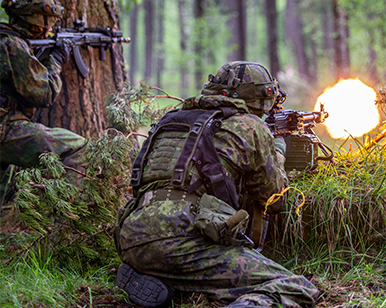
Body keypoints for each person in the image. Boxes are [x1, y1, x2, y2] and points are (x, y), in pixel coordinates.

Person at [114, 61, 319, 307]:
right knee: (297, 287)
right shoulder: (250, 126)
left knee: (180, 265)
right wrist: (277, 151)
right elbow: (275, 199)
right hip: (184, 239)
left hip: (131, 238)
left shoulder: (170, 121)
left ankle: (156, 278)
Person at [0, 0, 86, 201]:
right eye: (45, 25)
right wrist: (55, 61)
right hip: (5, 129)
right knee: (78, 148)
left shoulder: (7, 41)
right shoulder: (13, 45)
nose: (47, 31)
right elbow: (44, 94)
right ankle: (68, 217)